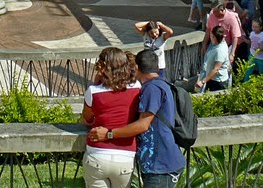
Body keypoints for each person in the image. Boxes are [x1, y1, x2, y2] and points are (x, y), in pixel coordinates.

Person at [89, 49, 186, 188]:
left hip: (161, 165)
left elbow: (143, 125)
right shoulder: (160, 84)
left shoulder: (152, 88)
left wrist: (109, 134)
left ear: (136, 68)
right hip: (160, 164)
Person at [80, 47, 142, 188]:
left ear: (102, 68)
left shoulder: (93, 92)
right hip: (125, 156)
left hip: (97, 155)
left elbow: (87, 120)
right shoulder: (137, 87)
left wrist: (98, 81)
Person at [203, 0, 242, 66]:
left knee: (226, 67)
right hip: (213, 44)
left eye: (215, 12)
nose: (213, 13)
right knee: (206, 65)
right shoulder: (212, 14)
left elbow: (235, 36)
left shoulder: (231, 17)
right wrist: (204, 44)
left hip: (227, 46)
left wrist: (232, 53)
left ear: (222, 10)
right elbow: (208, 29)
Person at [195, 25, 231, 92]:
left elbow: (216, 69)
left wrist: (202, 82)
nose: (210, 37)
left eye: (212, 36)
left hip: (218, 82)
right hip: (212, 79)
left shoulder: (220, 50)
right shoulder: (217, 44)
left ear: (215, 37)